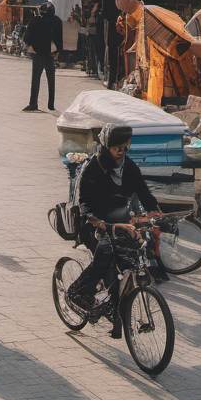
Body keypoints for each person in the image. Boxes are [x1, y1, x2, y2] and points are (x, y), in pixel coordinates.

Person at [71, 124, 161, 338]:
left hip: (122, 223)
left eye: (125, 147)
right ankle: (79, 293)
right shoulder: (92, 168)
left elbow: (144, 193)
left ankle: (116, 305)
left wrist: (155, 213)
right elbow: (84, 205)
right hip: (93, 224)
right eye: (116, 148)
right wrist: (101, 224)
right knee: (107, 257)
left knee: (135, 255)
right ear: (106, 147)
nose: (121, 152)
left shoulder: (129, 167)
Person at [22, 2, 63, 113]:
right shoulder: (57, 21)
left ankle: (33, 103)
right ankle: (51, 104)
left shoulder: (35, 21)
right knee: (51, 79)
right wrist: (58, 51)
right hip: (50, 53)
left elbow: (27, 37)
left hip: (38, 53)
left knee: (35, 79)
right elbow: (59, 39)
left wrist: (30, 46)